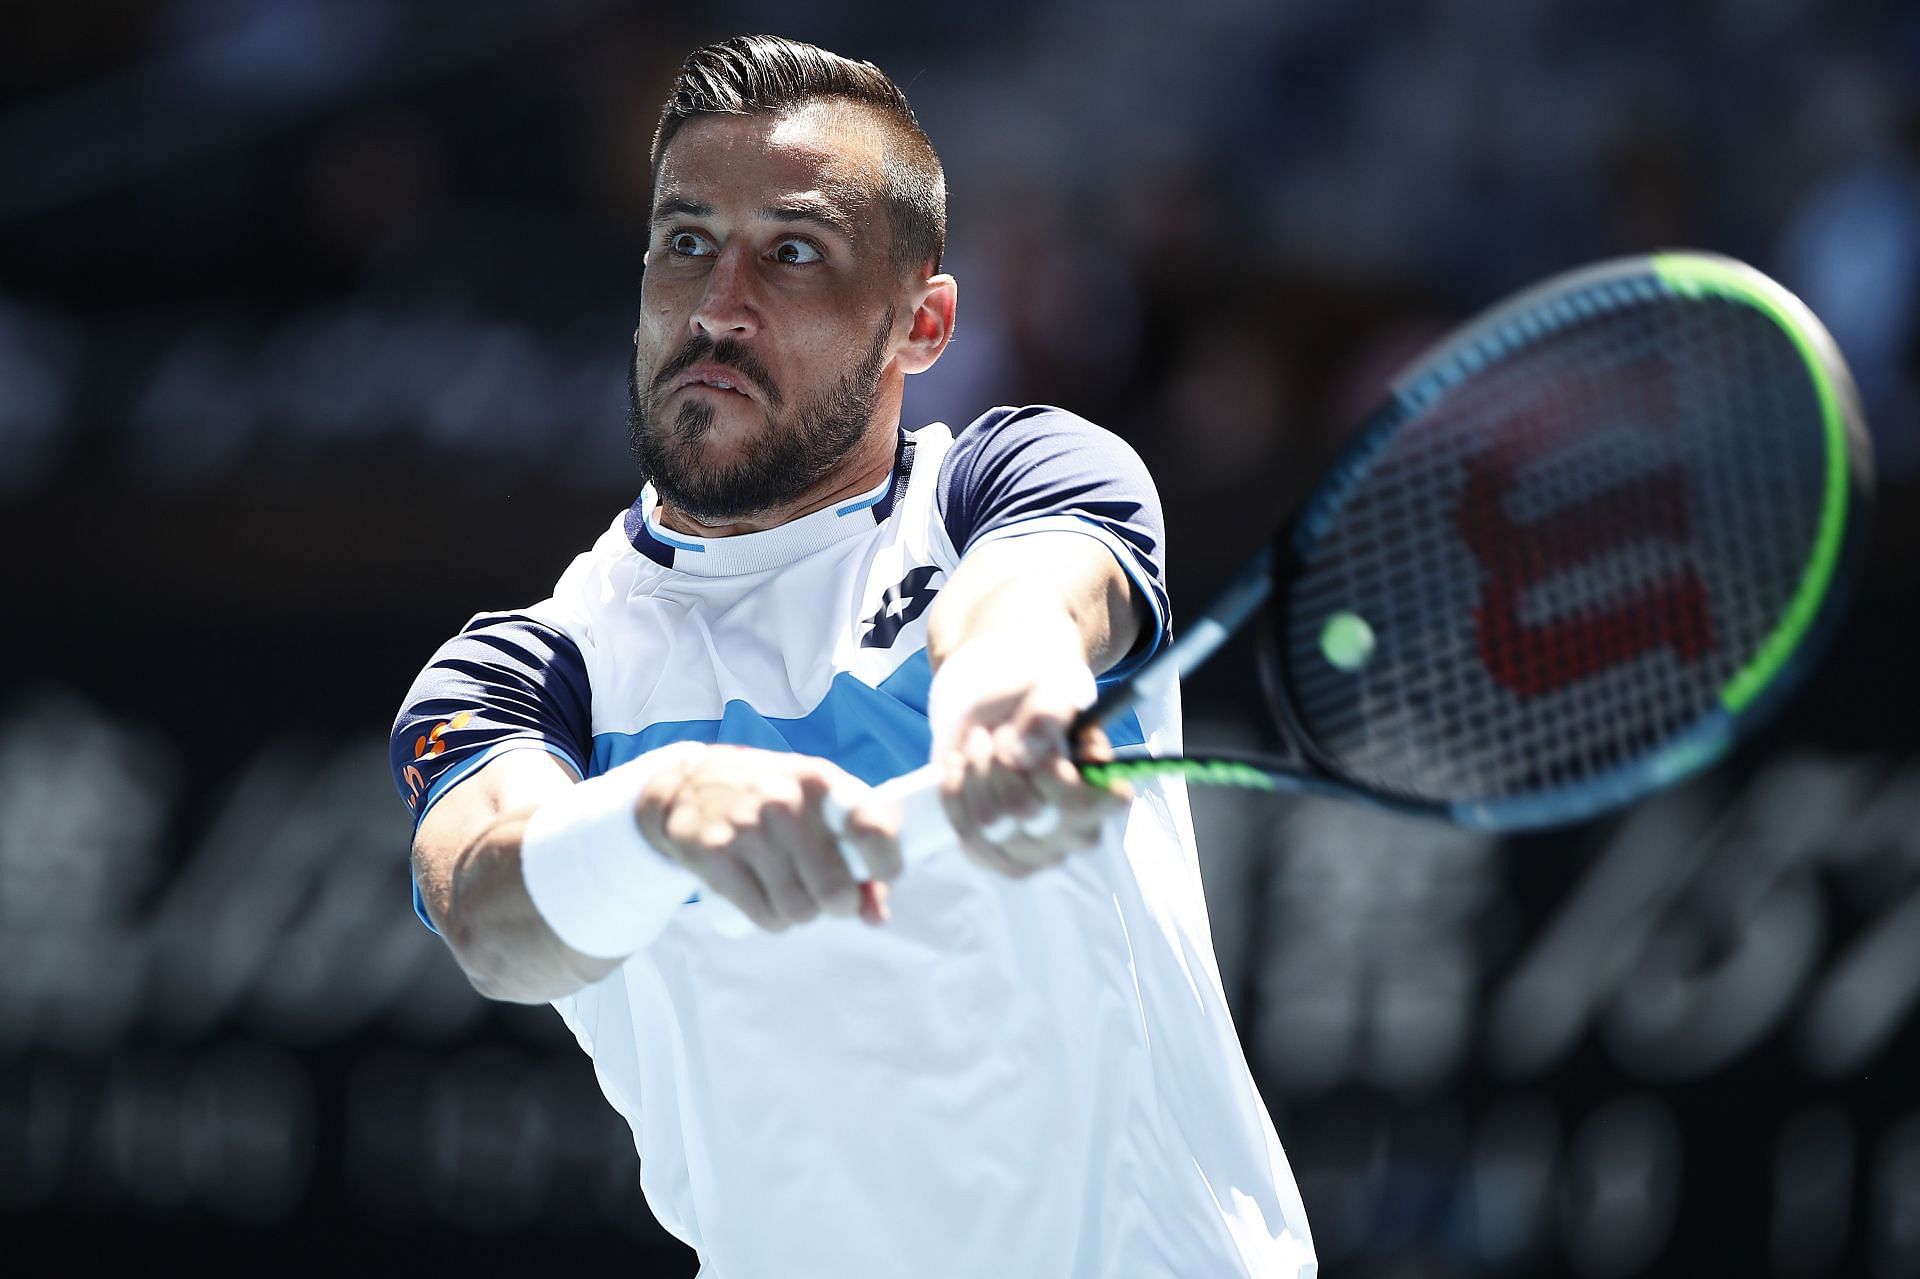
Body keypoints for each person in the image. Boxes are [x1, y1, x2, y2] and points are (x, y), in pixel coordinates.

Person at [390, 34, 1314, 1278]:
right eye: (685, 242)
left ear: (921, 322)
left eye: (794, 251)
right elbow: (496, 919)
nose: (719, 305)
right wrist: (656, 815)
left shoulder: (1014, 479)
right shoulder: (525, 673)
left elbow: (1030, 607)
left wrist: (1007, 703)